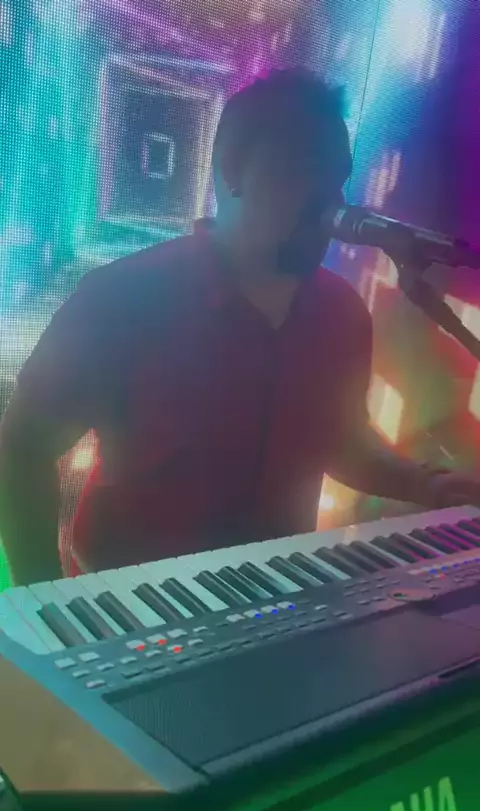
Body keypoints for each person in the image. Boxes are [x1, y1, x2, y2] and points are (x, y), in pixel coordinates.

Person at [1, 67, 479, 588]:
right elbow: (22, 449)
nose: (331, 201)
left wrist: (433, 485)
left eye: (338, 177)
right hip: (134, 607)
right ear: (232, 168)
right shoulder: (122, 298)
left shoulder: (341, 312)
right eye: (304, 170)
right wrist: (44, 601)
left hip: (279, 595)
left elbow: (340, 441)